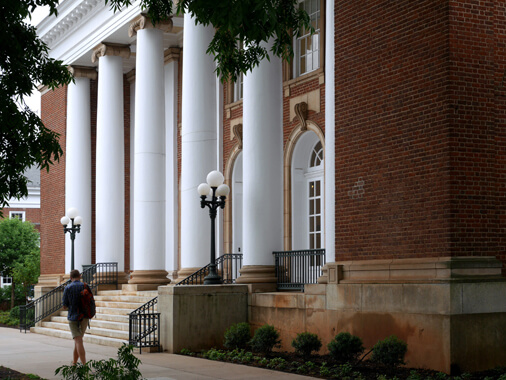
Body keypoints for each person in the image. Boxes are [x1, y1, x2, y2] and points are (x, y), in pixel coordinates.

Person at [62, 269, 88, 365]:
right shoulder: (85, 286)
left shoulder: (68, 288)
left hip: (73, 316)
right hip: (85, 316)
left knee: (78, 340)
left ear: (70, 278)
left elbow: (64, 305)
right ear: (80, 276)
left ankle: (84, 364)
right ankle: (74, 362)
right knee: (78, 341)